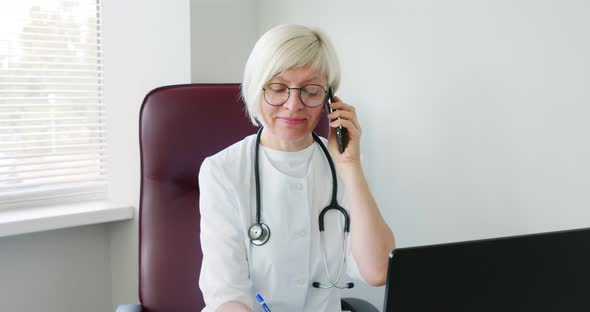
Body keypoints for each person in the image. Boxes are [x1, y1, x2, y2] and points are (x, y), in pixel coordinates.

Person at [198, 24, 395, 312]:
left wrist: (351, 167)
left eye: (311, 91)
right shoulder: (222, 170)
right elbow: (227, 295)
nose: (293, 105)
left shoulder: (343, 166)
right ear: (256, 89)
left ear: (330, 99)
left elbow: (378, 271)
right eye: (278, 89)